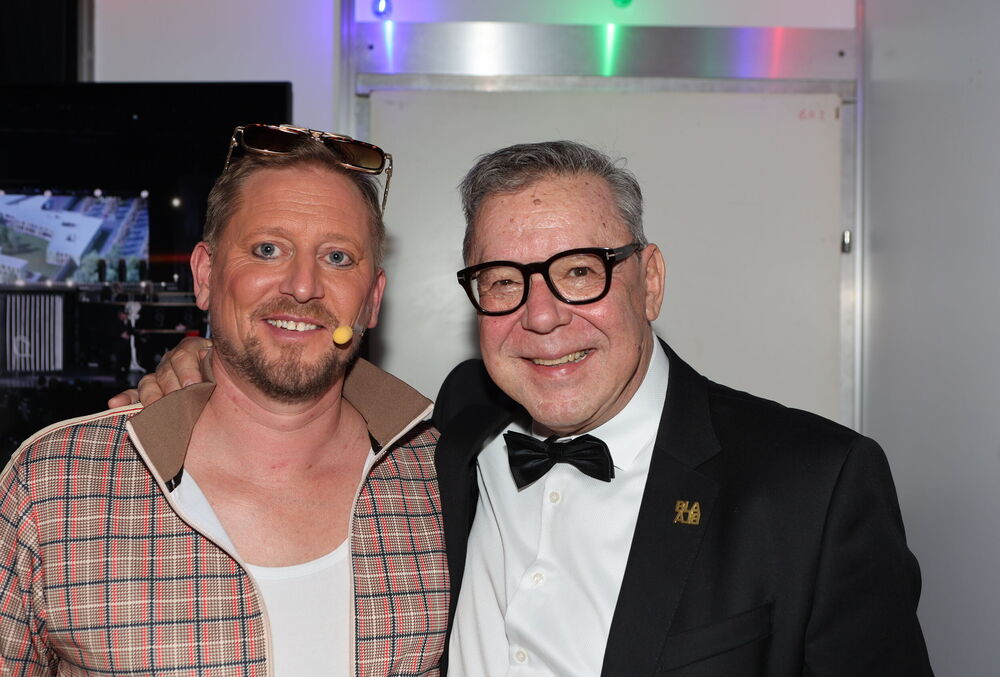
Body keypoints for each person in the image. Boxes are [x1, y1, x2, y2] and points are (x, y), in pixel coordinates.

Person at [114, 140, 933, 676]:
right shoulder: (457, 425)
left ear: (648, 280)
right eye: (504, 280)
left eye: (579, 271)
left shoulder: (814, 488)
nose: (541, 317)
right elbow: (300, 381)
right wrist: (206, 367)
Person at [0, 125, 448, 675]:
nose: (302, 286)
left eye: (337, 257)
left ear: (372, 300)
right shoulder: (55, 484)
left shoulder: (448, 479)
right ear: (206, 275)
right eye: (268, 250)